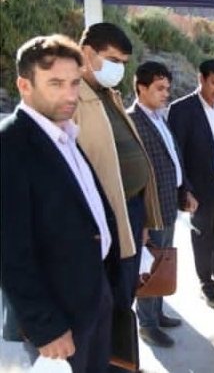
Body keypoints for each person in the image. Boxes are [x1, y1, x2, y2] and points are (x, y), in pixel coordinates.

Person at [1, 34, 119, 373]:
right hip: (59, 314)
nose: (70, 95)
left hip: (94, 292)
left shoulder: (63, 133)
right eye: (55, 83)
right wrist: (46, 326)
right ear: (24, 85)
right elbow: (10, 252)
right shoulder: (10, 146)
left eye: (74, 83)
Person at [74, 23, 163, 312]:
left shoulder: (108, 94)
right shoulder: (71, 99)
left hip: (130, 210)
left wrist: (143, 221)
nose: (119, 69)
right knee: (109, 298)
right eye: (113, 60)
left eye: (123, 63)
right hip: (103, 217)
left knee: (125, 291)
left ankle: (120, 339)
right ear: (87, 53)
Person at [127, 61, 198, 347]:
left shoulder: (158, 117)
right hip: (150, 211)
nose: (166, 94)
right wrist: (141, 222)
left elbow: (174, 158)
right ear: (141, 88)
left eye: (167, 88)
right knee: (148, 266)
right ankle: (147, 324)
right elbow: (132, 177)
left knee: (161, 262)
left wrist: (186, 190)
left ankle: (156, 313)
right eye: (159, 88)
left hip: (168, 205)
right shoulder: (132, 122)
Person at [168, 59, 214, 309]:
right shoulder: (182, 109)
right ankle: (206, 285)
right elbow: (177, 153)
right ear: (200, 79)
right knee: (202, 237)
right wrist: (185, 190)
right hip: (199, 187)